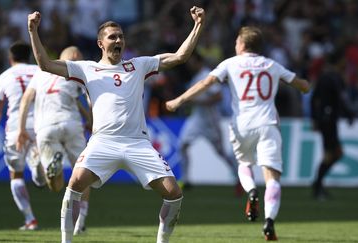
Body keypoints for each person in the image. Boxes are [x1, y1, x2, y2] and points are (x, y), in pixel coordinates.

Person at [27, 5, 205, 243]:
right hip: (102, 142)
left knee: (174, 193)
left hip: (137, 143)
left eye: (121, 36)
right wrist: (33, 31)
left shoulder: (138, 65)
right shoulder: (87, 68)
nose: (119, 40)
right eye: (113, 37)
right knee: (75, 184)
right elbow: (45, 65)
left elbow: (179, 57)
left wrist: (198, 25)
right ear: (101, 43)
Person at [166, 26, 310, 241]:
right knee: (272, 179)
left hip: (241, 124)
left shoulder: (230, 63)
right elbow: (302, 85)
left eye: (236, 42)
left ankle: (251, 191)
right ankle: (269, 221)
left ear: (242, 45)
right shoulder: (272, 65)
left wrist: (180, 100)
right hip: (268, 123)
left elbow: (206, 83)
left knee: (244, 164)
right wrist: (305, 85)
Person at [16, 46, 93, 234]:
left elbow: (26, 98)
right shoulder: (76, 71)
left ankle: (52, 170)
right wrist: (93, 120)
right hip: (71, 124)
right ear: (75, 57)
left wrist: (21, 129)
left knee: (55, 186)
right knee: (84, 174)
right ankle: (80, 223)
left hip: (45, 128)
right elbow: (90, 97)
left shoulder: (42, 72)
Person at [0, 41, 46, 230]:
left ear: (10, 59)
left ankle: (30, 219)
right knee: (39, 175)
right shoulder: (41, 71)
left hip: (17, 128)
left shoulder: (4, 77)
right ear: (30, 57)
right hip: (41, 125)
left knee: (15, 175)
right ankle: (38, 169)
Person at [177, 52, 238, 190]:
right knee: (183, 145)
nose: (189, 65)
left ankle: (239, 177)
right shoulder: (196, 78)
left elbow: (218, 97)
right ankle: (186, 180)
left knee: (221, 152)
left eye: (191, 61)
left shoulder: (207, 76)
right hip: (197, 118)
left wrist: (198, 101)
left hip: (211, 121)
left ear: (198, 61)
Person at [310, 52, 354, 200]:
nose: (346, 63)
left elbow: (314, 98)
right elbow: (341, 99)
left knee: (335, 154)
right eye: (344, 60)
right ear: (339, 61)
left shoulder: (325, 76)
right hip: (328, 121)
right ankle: (317, 186)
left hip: (326, 120)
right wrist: (349, 114)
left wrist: (315, 118)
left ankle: (318, 184)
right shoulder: (334, 78)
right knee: (332, 154)